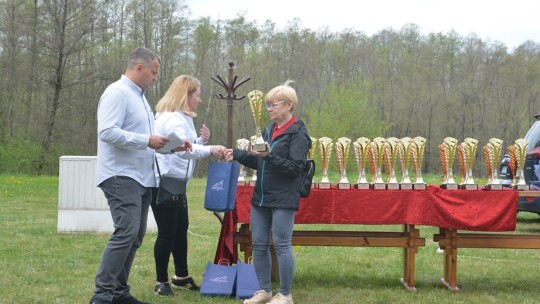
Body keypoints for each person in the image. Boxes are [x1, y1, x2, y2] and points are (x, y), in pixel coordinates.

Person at [91, 47, 189, 304]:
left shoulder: (140, 97)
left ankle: (119, 293)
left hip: (142, 177)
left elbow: (148, 142)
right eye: (153, 72)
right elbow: (107, 132)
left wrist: (172, 146)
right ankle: (102, 296)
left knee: (135, 236)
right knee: (126, 232)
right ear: (139, 68)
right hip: (120, 175)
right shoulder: (117, 93)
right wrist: (146, 140)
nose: (156, 77)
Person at [224, 80, 311, 304]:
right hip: (261, 197)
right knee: (259, 244)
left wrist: (269, 156)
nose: (269, 108)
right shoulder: (269, 130)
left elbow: (295, 169)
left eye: (274, 104)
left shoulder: (298, 134)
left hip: (283, 197)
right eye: (267, 105)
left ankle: (285, 294)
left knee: (282, 245)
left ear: (289, 105)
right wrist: (237, 154)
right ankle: (264, 291)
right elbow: (261, 163)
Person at [151, 75, 226, 297]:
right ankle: (161, 281)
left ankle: (181, 276)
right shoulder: (173, 118)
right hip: (164, 183)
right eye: (198, 95)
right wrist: (211, 149)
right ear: (186, 95)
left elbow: (188, 145)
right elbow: (184, 153)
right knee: (167, 233)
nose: (200, 100)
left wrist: (201, 142)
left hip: (176, 184)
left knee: (180, 229)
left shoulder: (183, 117)